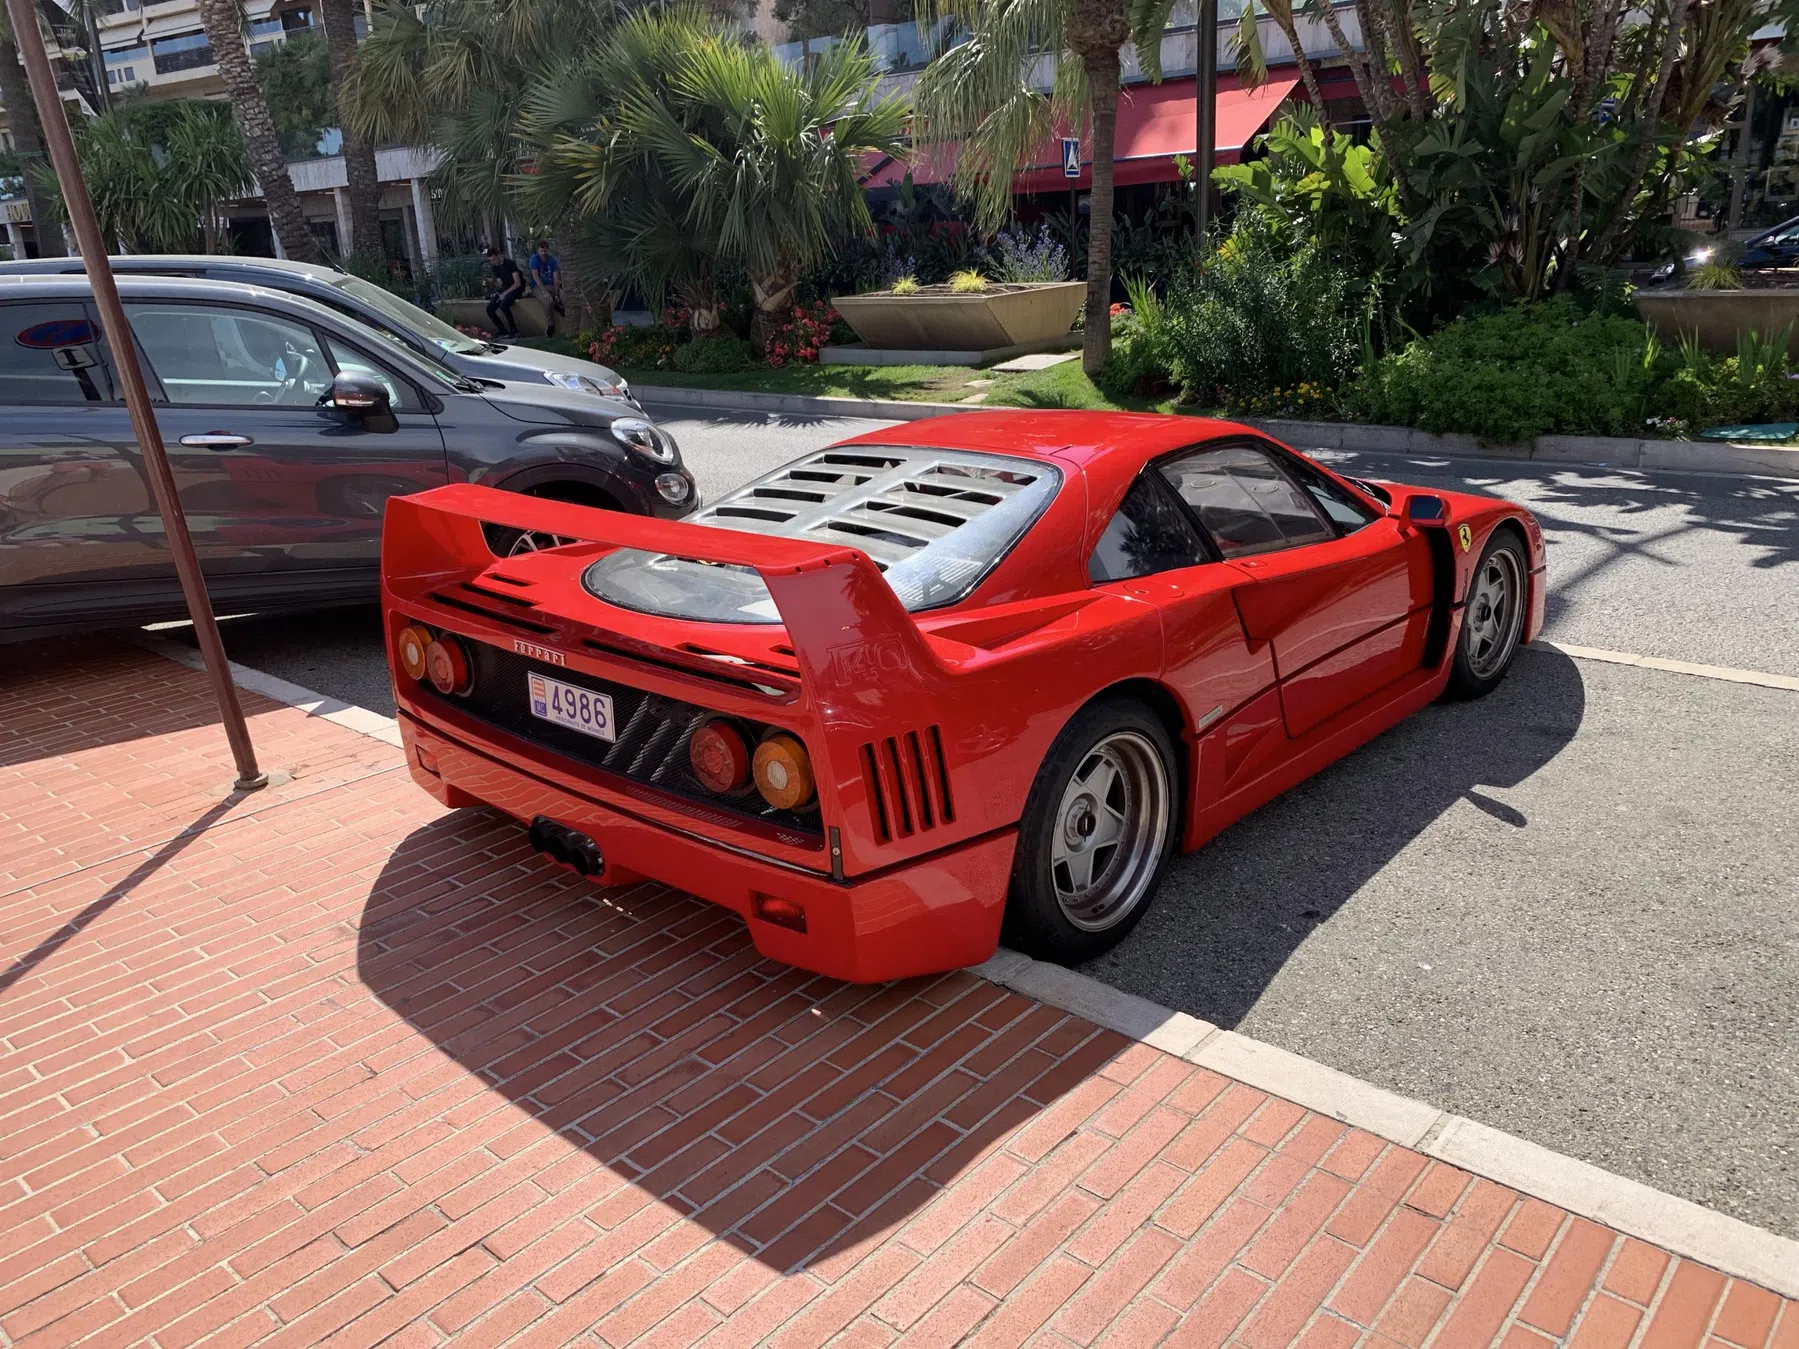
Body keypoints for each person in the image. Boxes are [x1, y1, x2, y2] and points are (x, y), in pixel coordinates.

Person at [485, 246, 525, 339]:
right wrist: (494, 282)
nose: (493, 262)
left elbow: (517, 283)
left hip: (516, 288)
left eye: (494, 259)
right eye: (491, 260)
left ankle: (514, 330)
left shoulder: (510, 264)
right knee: (490, 309)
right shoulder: (495, 268)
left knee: (504, 305)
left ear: (498, 255)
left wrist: (504, 294)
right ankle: (503, 331)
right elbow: (501, 285)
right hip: (506, 288)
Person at [529, 240, 565, 337]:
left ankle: (560, 308)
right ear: (538, 250)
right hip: (537, 286)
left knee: (564, 297)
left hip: (551, 285)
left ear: (548, 250)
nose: (543, 253)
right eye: (541, 251)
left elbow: (556, 278)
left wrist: (556, 294)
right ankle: (550, 324)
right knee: (548, 301)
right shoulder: (534, 259)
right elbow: (536, 277)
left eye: (545, 251)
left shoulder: (553, 260)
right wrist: (544, 291)